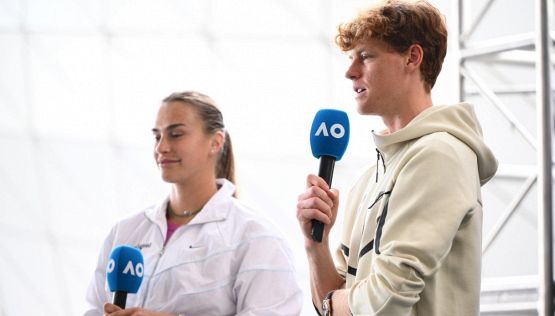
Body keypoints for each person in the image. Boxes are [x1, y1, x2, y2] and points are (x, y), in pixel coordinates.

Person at [296, 1, 498, 315]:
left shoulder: (439, 155)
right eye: (351, 59)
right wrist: (315, 245)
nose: (350, 72)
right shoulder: (368, 178)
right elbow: (338, 299)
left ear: (412, 58)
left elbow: (387, 298)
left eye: (365, 56)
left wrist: (331, 305)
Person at [85, 91, 303, 316]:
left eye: (176, 134)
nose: (161, 147)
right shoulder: (125, 231)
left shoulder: (256, 237)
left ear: (216, 142)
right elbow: (93, 309)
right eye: (157, 136)